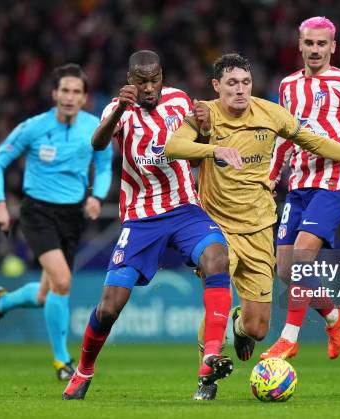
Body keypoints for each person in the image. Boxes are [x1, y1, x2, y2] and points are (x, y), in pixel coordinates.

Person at [164, 53, 340, 364]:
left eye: (245, 82)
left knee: (257, 326)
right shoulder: (204, 115)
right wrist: (215, 149)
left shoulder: (271, 114)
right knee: (218, 293)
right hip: (216, 225)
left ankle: (243, 327)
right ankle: (208, 368)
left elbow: (317, 143)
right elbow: (172, 147)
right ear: (216, 85)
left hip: (258, 225)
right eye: (231, 83)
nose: (240, 89)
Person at [62, 50, 236, 402]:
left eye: (154, 79)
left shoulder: (178, 100)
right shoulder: (117, 109)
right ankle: (83, 370)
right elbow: (97, 143)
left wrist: (204, 128)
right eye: (141, 82)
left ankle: (209, 359)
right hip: (141, 217)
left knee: (217, 257)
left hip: (185, 208)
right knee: (110, 305)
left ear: (162, 76)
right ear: (130, 80)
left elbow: (196, 144)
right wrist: (122, 111)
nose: (149, 88)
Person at [0, 64, 114, 380]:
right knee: (63, 282)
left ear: (85, 98)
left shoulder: (95, 128)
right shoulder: (33, 127)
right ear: (54, 94)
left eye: (76, 92)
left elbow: (105, 166)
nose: (69, 97)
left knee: (46, 294)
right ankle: (62, 361)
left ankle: (2, 302)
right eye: (64, 91)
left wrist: (97, 196)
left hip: (72, 216)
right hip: (37, 212)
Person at [261, 16, 340, 360]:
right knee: (284, 269)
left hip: (333, 185)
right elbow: (285, 137)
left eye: (321, 44)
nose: (315, 50)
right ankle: (334, 315)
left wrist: (335, 145)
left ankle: (289, 338)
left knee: (300, 258)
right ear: (299, 45)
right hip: (298, 187)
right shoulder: (287, 86)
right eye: (309, 43)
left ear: (333, 47)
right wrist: (271, 177)